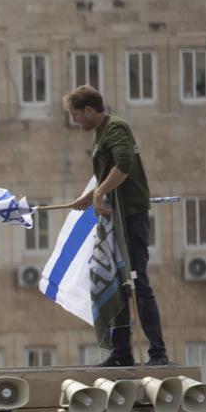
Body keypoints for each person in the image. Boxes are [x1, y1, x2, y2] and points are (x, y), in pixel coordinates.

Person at [64, 84, 170, 368]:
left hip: (130, 217)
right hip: (115, 217)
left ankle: (158, 353)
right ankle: (122, 353)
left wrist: (99, 194)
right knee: (117, 283)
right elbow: (107, 173)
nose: (74, 121)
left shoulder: (116, 128)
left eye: (76, 115)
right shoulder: (102, 133)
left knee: (137, 282)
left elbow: (124, 165)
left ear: (89, 110)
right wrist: (89, 196)